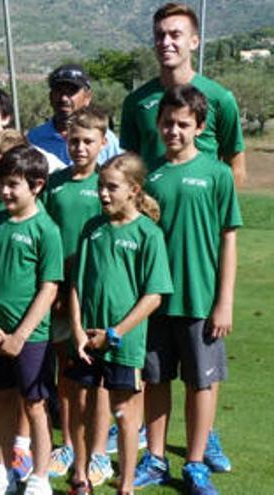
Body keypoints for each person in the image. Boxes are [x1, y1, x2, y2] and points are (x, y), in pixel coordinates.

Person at [134, 85, 241, 494]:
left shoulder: (217, 174)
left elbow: (229, 238)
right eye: (167, 123)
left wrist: (224, 301)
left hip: (201, 299)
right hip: (156, 300)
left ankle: (195, 463)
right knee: (156, 380)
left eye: (183, 124)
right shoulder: (149, 174)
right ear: (157, 125)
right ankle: (156, 458)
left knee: (201, 383)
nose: (173, 130)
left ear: (199, 126)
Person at [67, 153, 173, 495]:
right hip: (86, 342)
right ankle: (80, 478)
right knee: (81, 407)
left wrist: (114, 333)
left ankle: (125, 486)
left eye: (111, 187)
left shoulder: (148, 234)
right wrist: (79, 332)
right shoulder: (92, 229)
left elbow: (154, 296)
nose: (102, 194)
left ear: (133, 190)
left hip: (123, 343)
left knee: (124, 414)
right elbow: (76, 286)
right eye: (100, 186)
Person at [0, 146, 62, 495]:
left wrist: (20, 335)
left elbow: (49, 288)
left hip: (31, 337)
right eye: (2, 183)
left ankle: (39, 478)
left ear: (36, 186)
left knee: (34, 405)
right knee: (2, 400)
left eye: (13, 185)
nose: (4, 191)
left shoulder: (46, 229)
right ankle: (2, 472)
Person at [43, 106, 108, 482]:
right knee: (65, 373)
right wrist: (53, 287)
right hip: (61, 295)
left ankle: (98, 451)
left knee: (97, 378)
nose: (80, 148)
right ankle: (67, 443)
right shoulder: (55, 184)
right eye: (74, 141)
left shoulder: (107, 182)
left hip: (98, 295)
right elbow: (49, 238)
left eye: (88, 141)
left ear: (102, 143)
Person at [120, 2, 245, 187]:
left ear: (194, 42)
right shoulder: (136, 101)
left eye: (175, 35)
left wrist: (218, 209)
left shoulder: (220, 98)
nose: (165, 42)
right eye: (160, 35)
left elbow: (235, 164)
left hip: (198, 212)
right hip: (151, 211)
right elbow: (129, 164)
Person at [27, 65, 120, 166]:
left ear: (87, 97)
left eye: (71, 91)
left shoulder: (106, 140)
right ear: (50, 96)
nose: (64, 98)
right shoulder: (34, 139)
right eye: (59, 91)